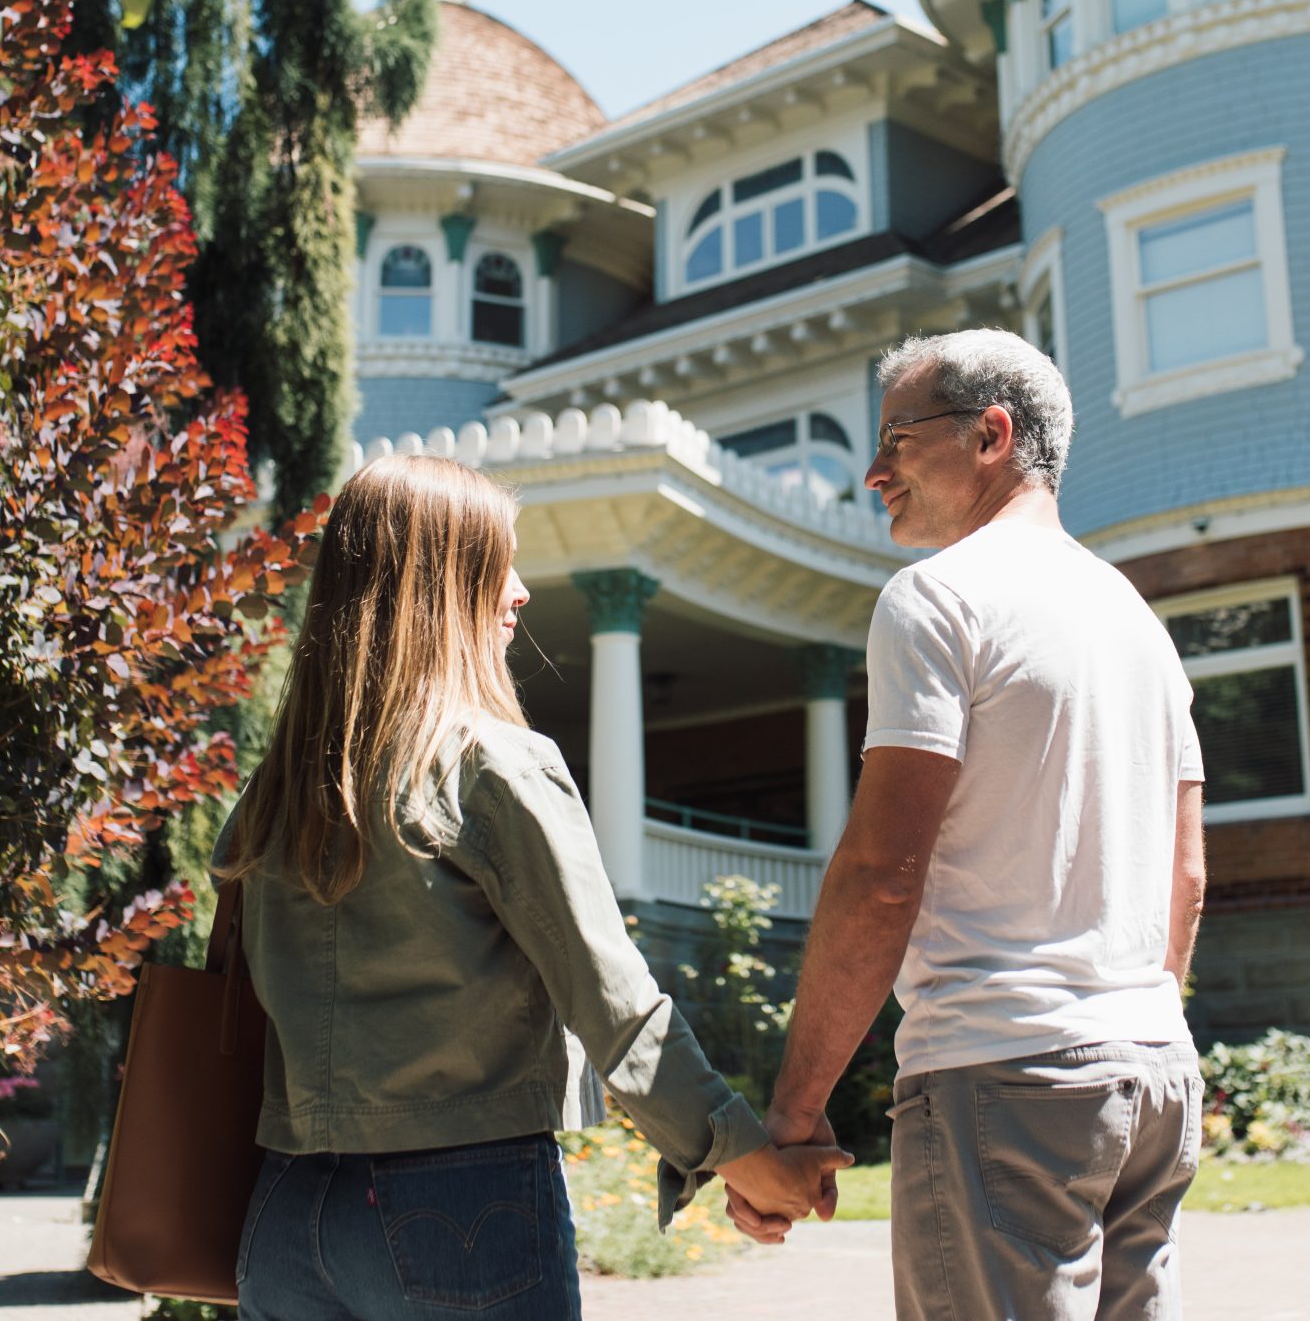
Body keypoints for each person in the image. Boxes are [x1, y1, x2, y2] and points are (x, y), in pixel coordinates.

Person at [218, 454, 847, 1320]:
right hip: (463, 1207)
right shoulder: (494, 763)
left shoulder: (275, 791)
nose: (519, 591)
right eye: (493, 566)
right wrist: (743, 1153)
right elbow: (615, 1007)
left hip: (286, 1216)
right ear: (440, 589)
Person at [742, 329, 1210, 1320]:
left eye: (896, 441)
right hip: (1155, 1077)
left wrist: (792, 1113)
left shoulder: (938, 600)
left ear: (990, 434)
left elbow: (880, 873)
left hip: (1004, 1079)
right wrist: (1132, 1023)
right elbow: (1189, 876)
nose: (872, 474)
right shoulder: (1136, 621)